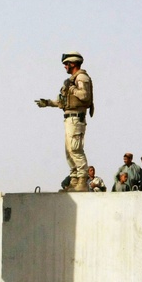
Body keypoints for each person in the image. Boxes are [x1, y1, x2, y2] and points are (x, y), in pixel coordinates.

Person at [35, 51, 94, 192]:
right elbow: (63, 102)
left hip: (76, 118)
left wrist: (72, 88)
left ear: (72, 63)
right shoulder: (72, 79)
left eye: (66, 64)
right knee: (69, 151)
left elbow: (85, 96)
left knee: (75, 149)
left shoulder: (81, 77)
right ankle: (74, 179)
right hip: (69, 118)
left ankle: (82, 180)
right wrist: (48, 103)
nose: (65, 67)